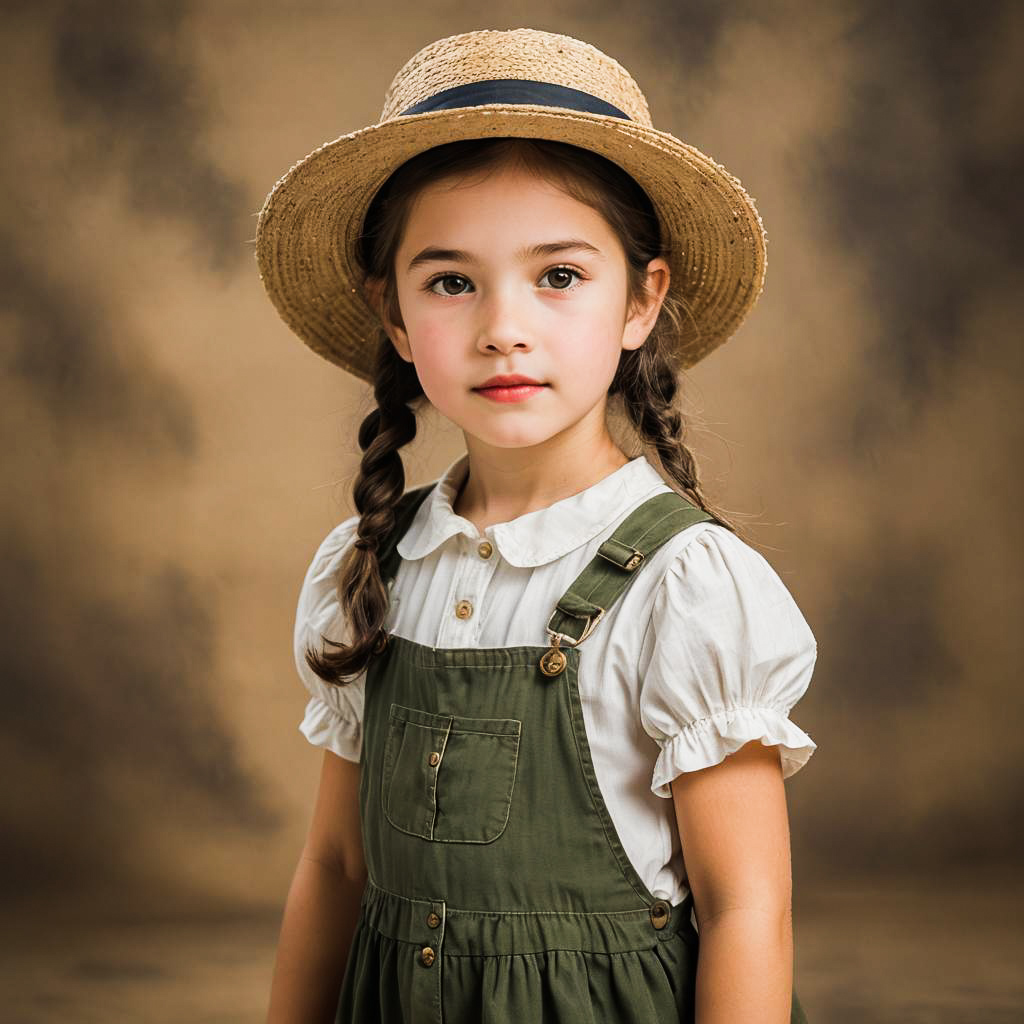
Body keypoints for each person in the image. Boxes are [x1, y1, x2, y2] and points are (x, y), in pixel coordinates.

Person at [257, 27, 818, 1024]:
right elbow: (337, 866)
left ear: (641, 300)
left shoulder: (683, 586)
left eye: (557, 276)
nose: (502, 326)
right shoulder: (365, 566)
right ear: (393, 315)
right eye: (450, 280)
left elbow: (747, 907)